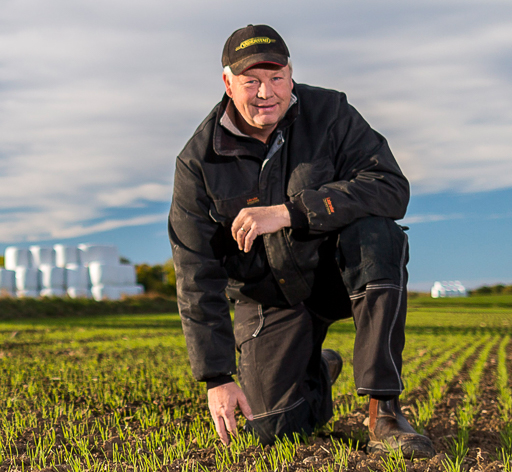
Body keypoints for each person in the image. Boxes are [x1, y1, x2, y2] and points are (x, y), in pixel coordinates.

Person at [168, 24, 436, 456]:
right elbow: (195, 271)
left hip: (334, 273)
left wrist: (291, 211)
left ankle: (383, 409)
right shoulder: (199, 160)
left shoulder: (330, 112)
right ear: (227, 83)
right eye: (251, 81)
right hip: (268, 295)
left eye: (276, 78)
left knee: (378, 233)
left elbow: (390, 187)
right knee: (270, 430)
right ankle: (316, 368)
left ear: (291, 74)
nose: (265, 93)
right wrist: (216, 377)